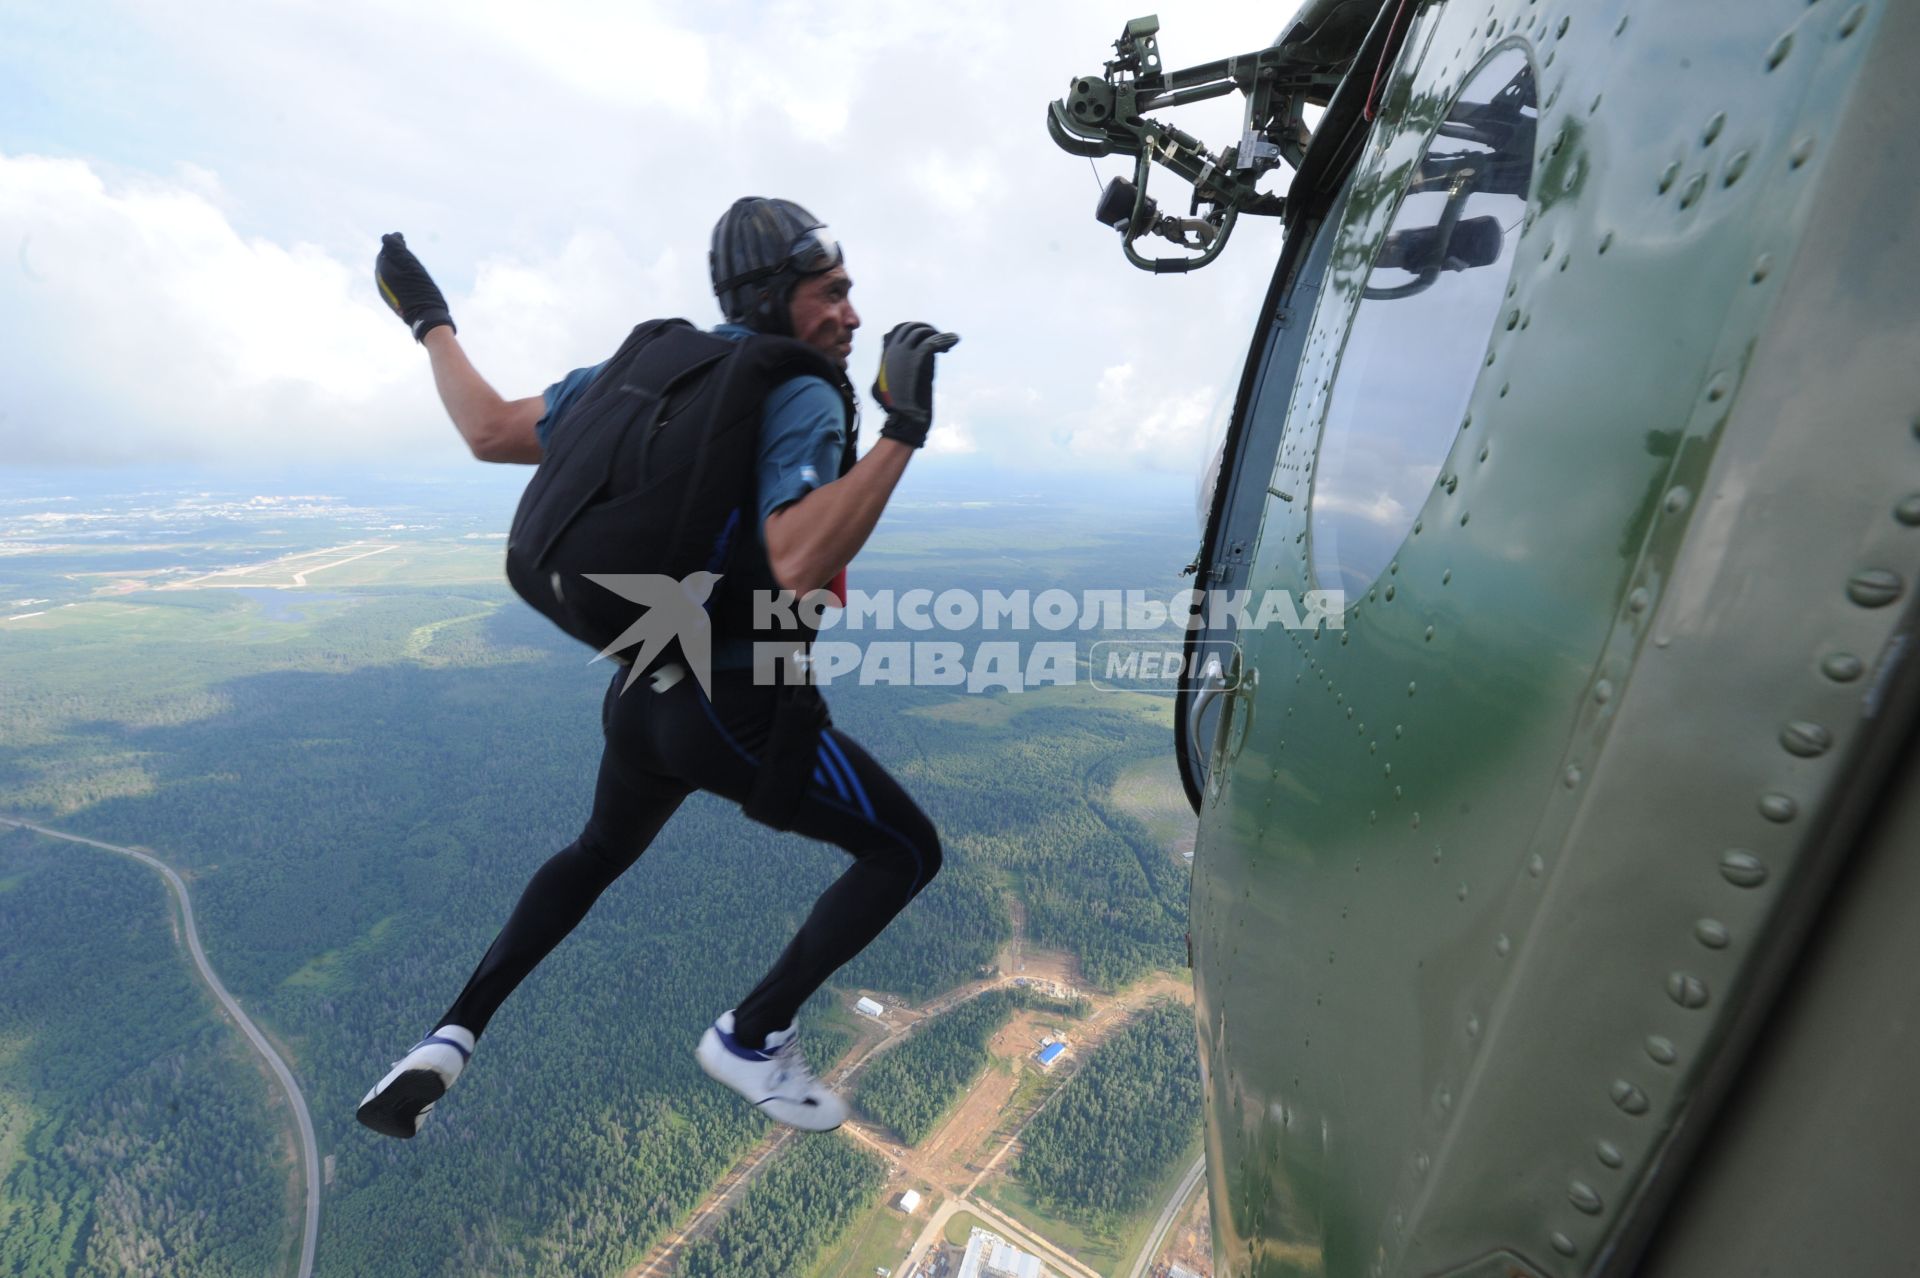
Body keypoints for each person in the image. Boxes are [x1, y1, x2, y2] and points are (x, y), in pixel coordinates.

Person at [356, 198, 957, 1137]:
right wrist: (902, 428)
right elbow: (795, 556)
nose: (850, 316)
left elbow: (487, 431)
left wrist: (430, 320)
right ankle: (753, 1034)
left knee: (598, 852)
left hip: (643, 688)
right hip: (737, 706)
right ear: (773, 296)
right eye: (831, 294)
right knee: (904, 850)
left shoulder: (643, 375)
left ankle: (450, 1035)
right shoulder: (796, 389)